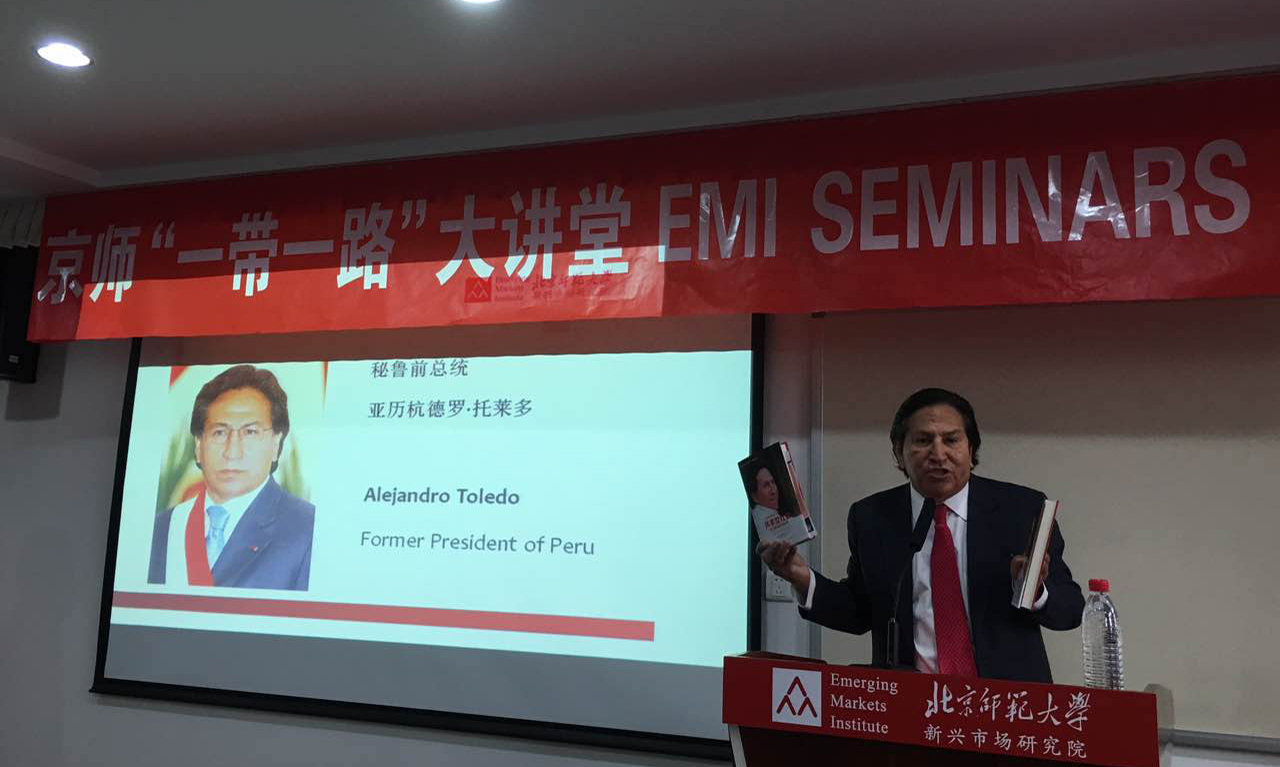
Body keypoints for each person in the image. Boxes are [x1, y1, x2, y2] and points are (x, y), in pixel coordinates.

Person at [758, 388, 1083, 683]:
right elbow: (860, 612)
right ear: (899, 453)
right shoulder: (872, 517)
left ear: (971, 449)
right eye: (923, 441)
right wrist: (802, 578)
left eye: (951, 440)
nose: (938, 454)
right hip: (911, 706)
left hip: (1005, 706)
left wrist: (1035, 590)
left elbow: (1070, 609)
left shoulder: (1021, 509)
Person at [148, 365, 314, 590]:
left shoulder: (307, 529)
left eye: (250, 432)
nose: (232, 451)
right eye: (220, 432)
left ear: (276, 443)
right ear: (198, 445)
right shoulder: (162, 529)